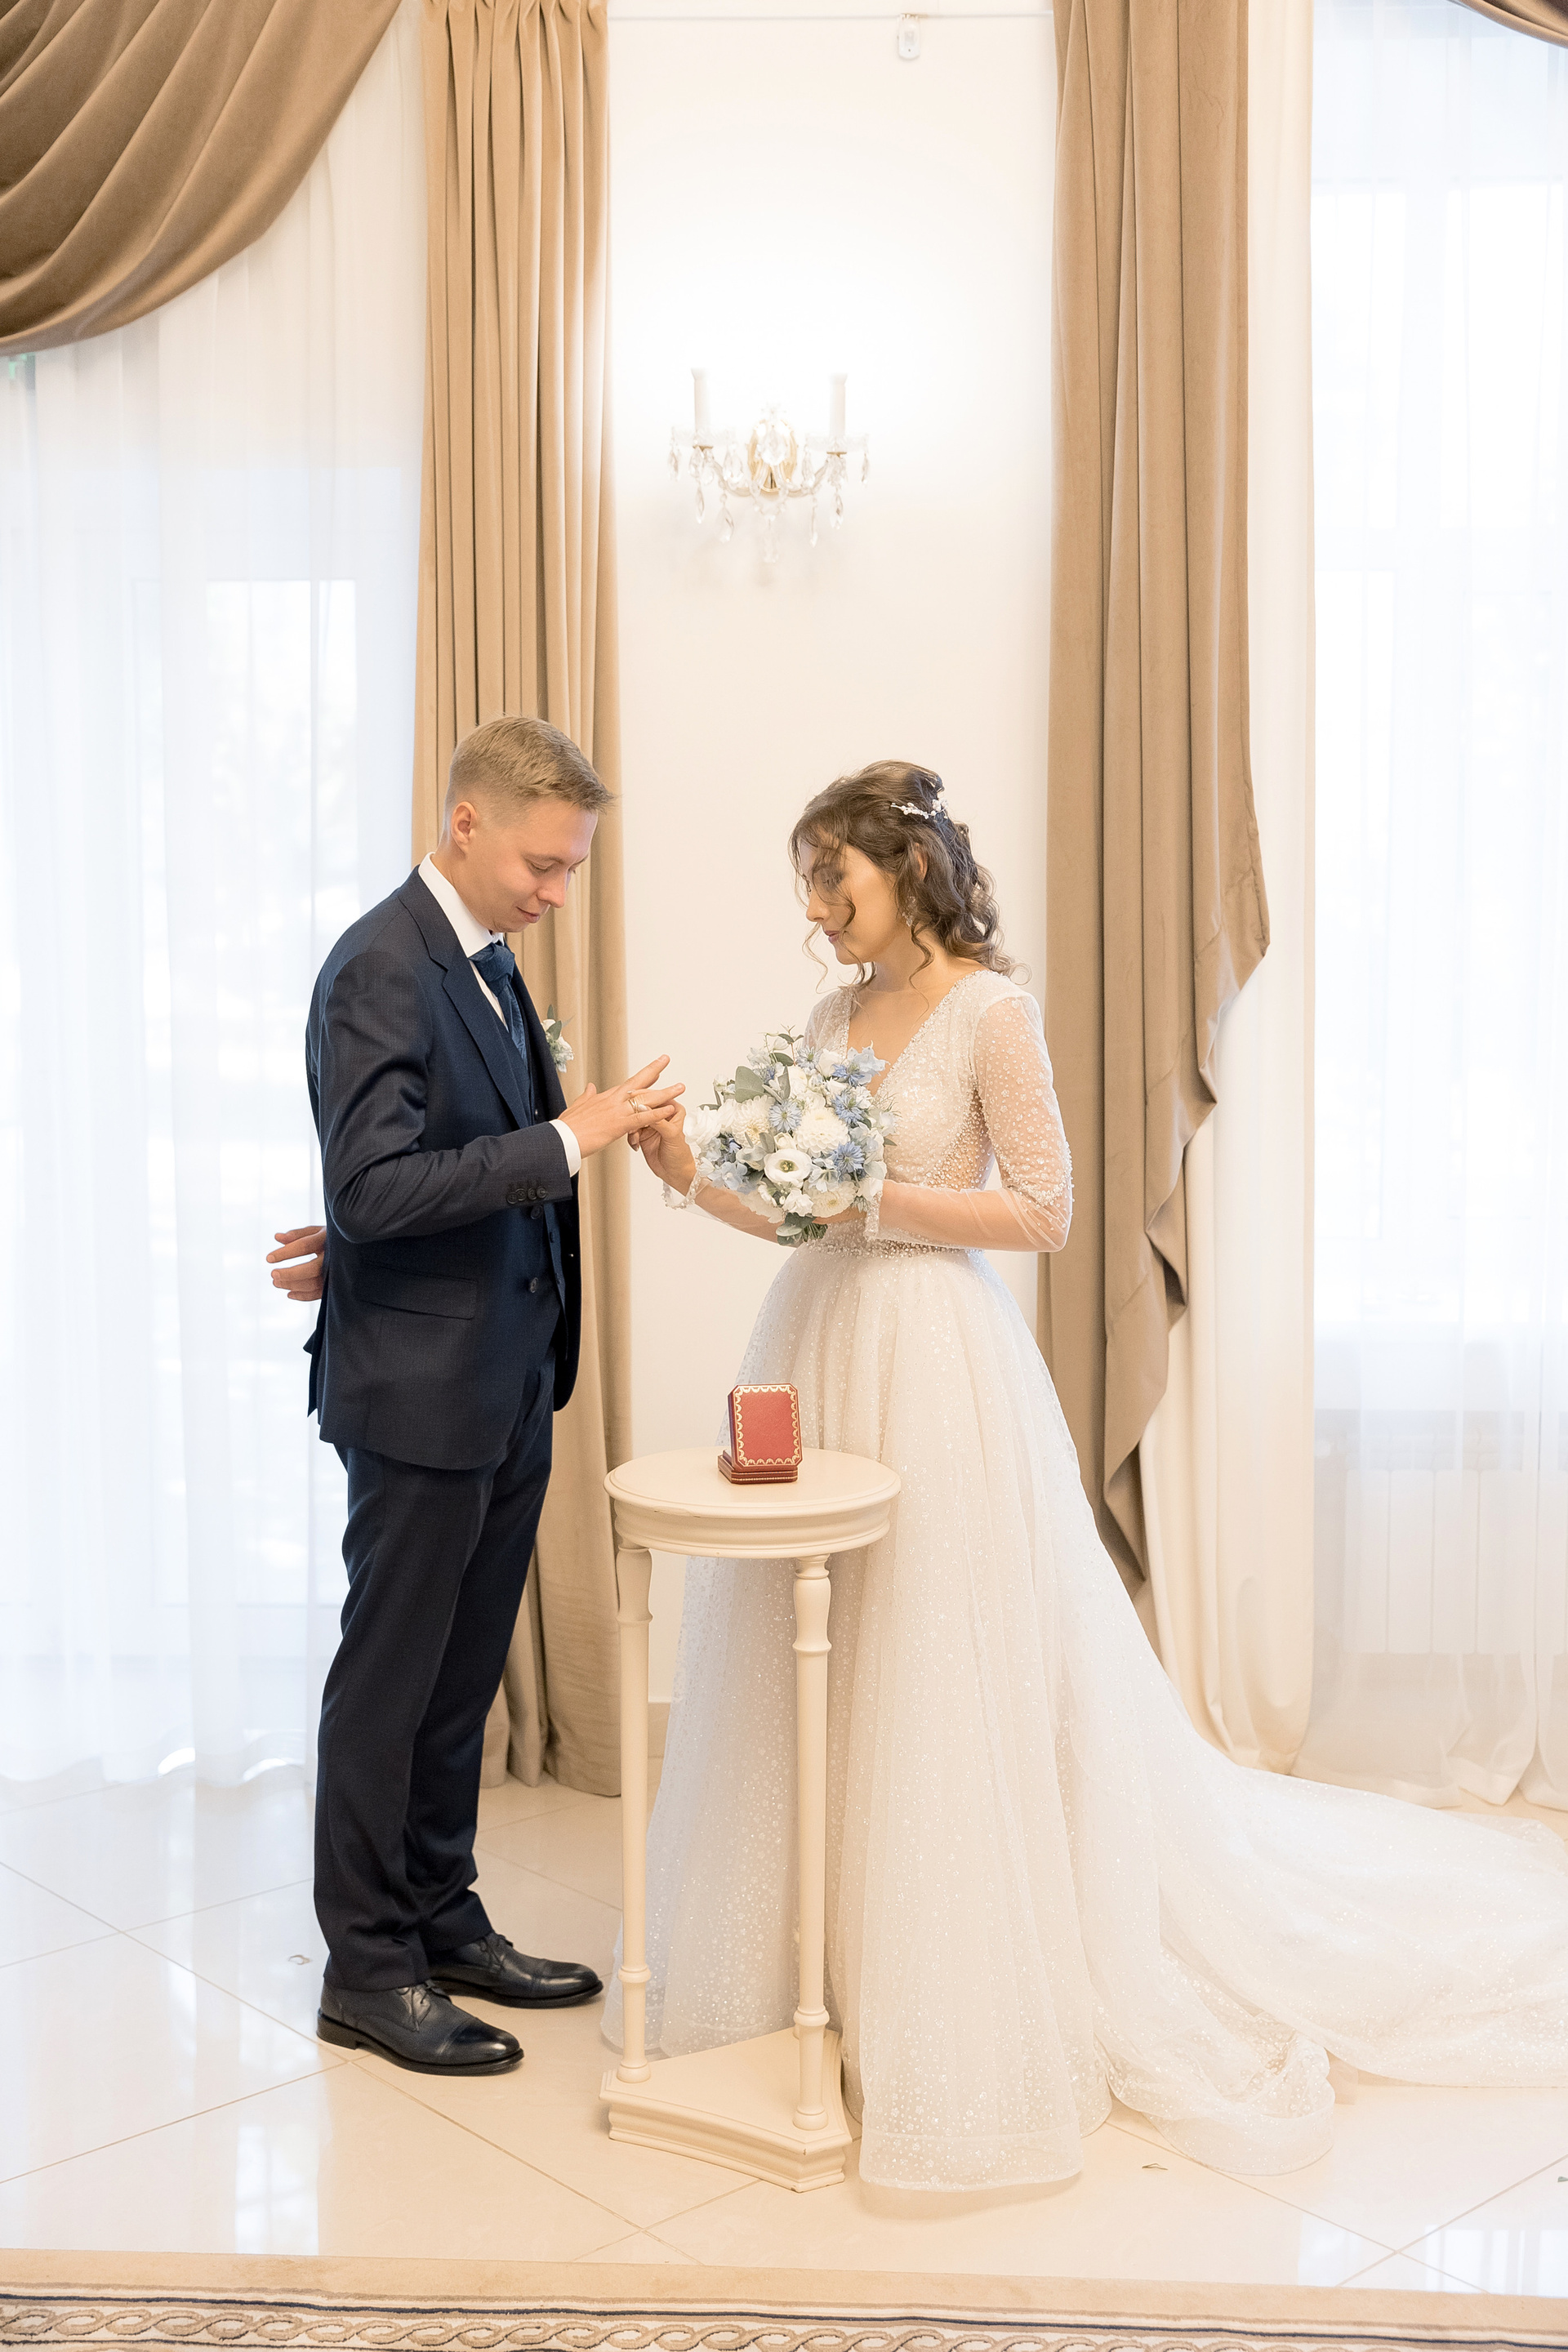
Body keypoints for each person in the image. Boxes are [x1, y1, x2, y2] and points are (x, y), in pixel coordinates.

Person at [615, 757, 1568, 2192]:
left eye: (832, 878)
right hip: (819, 1337)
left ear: (908, 870)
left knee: (934, 1652)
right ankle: (828, 1973)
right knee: (820, 1650)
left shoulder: (992, 1014)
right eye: (805, 882)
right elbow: (804, 1217)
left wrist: (878, 1194)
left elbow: (1044, 1210)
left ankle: (957, 1976)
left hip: (938, 1360)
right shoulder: (829, 1018)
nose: (814, 909)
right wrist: (688, 1170)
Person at [271, 714, 682, 2079]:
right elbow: (375, 1187)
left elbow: (405, 1185)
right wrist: (573, 1135)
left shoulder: (486, 962)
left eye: (572, 868)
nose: (557, 893)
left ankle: (440, 1917)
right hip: (418, 1393)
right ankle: (367, 1969)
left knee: (458, 1685)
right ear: (465, 823)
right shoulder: (380, 966)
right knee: (389, 1684)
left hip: (507, 1379)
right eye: (541, 864)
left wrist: (362, 1240)